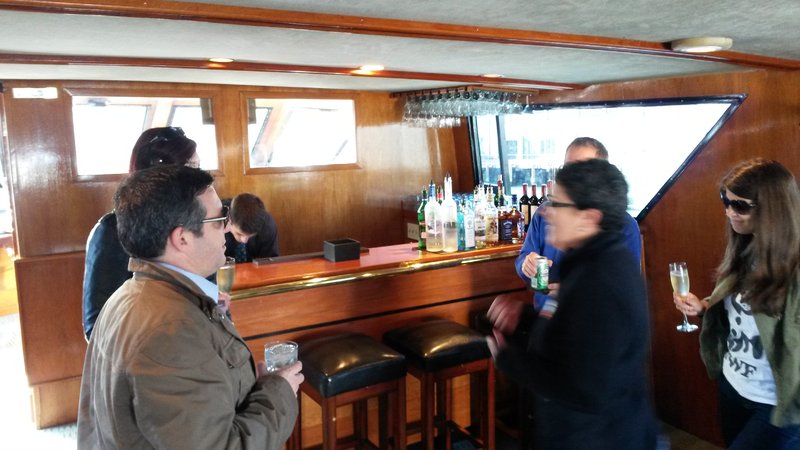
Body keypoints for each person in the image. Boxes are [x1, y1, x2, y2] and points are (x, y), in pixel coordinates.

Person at [77, 165, 303, 449]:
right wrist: (280, 393)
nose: (227, 227)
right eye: (219, 219)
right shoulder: (170, 333)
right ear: (182, 238)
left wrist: (244, 387)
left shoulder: (130, 294)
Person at [487, 159, 658, 450]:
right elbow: (577, 334)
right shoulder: (589, 262)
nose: (546, 212)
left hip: (600, 438)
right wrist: (526, 318)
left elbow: (584, 390)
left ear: (588, 218)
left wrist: (511, 361)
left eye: (557, 204)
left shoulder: (600, 280)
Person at [674, 158, 800, 449]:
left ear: (772, 208)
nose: (729, 211)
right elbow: (742, 307)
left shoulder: (793, 268)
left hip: (776, 404)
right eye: (725, 201)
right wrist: (705, 307)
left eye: (740, 205)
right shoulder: (746, 248)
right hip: (733, 386)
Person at [82, 126, 201, 340]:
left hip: (192, 338)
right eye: (192, 168)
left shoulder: (193, 223)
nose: (200, 177)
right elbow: (96, 325)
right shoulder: (111, 230)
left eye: (199, 167)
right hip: (145, 346)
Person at [516, 137, 641, 309]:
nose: (571, 178)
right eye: (568, 168)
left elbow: (623, 291)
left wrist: (573, 291)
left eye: (581, 170)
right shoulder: (545, 213)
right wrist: (525, 265)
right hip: (545, 312)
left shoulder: (624, 227)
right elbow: (524, 257)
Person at [225, 193, 279, 263]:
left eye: (250, 235)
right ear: (228, 220)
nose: (244, 240)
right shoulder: (216, 221)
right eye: (239, 234)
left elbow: (270, 262)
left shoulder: (267, 225)